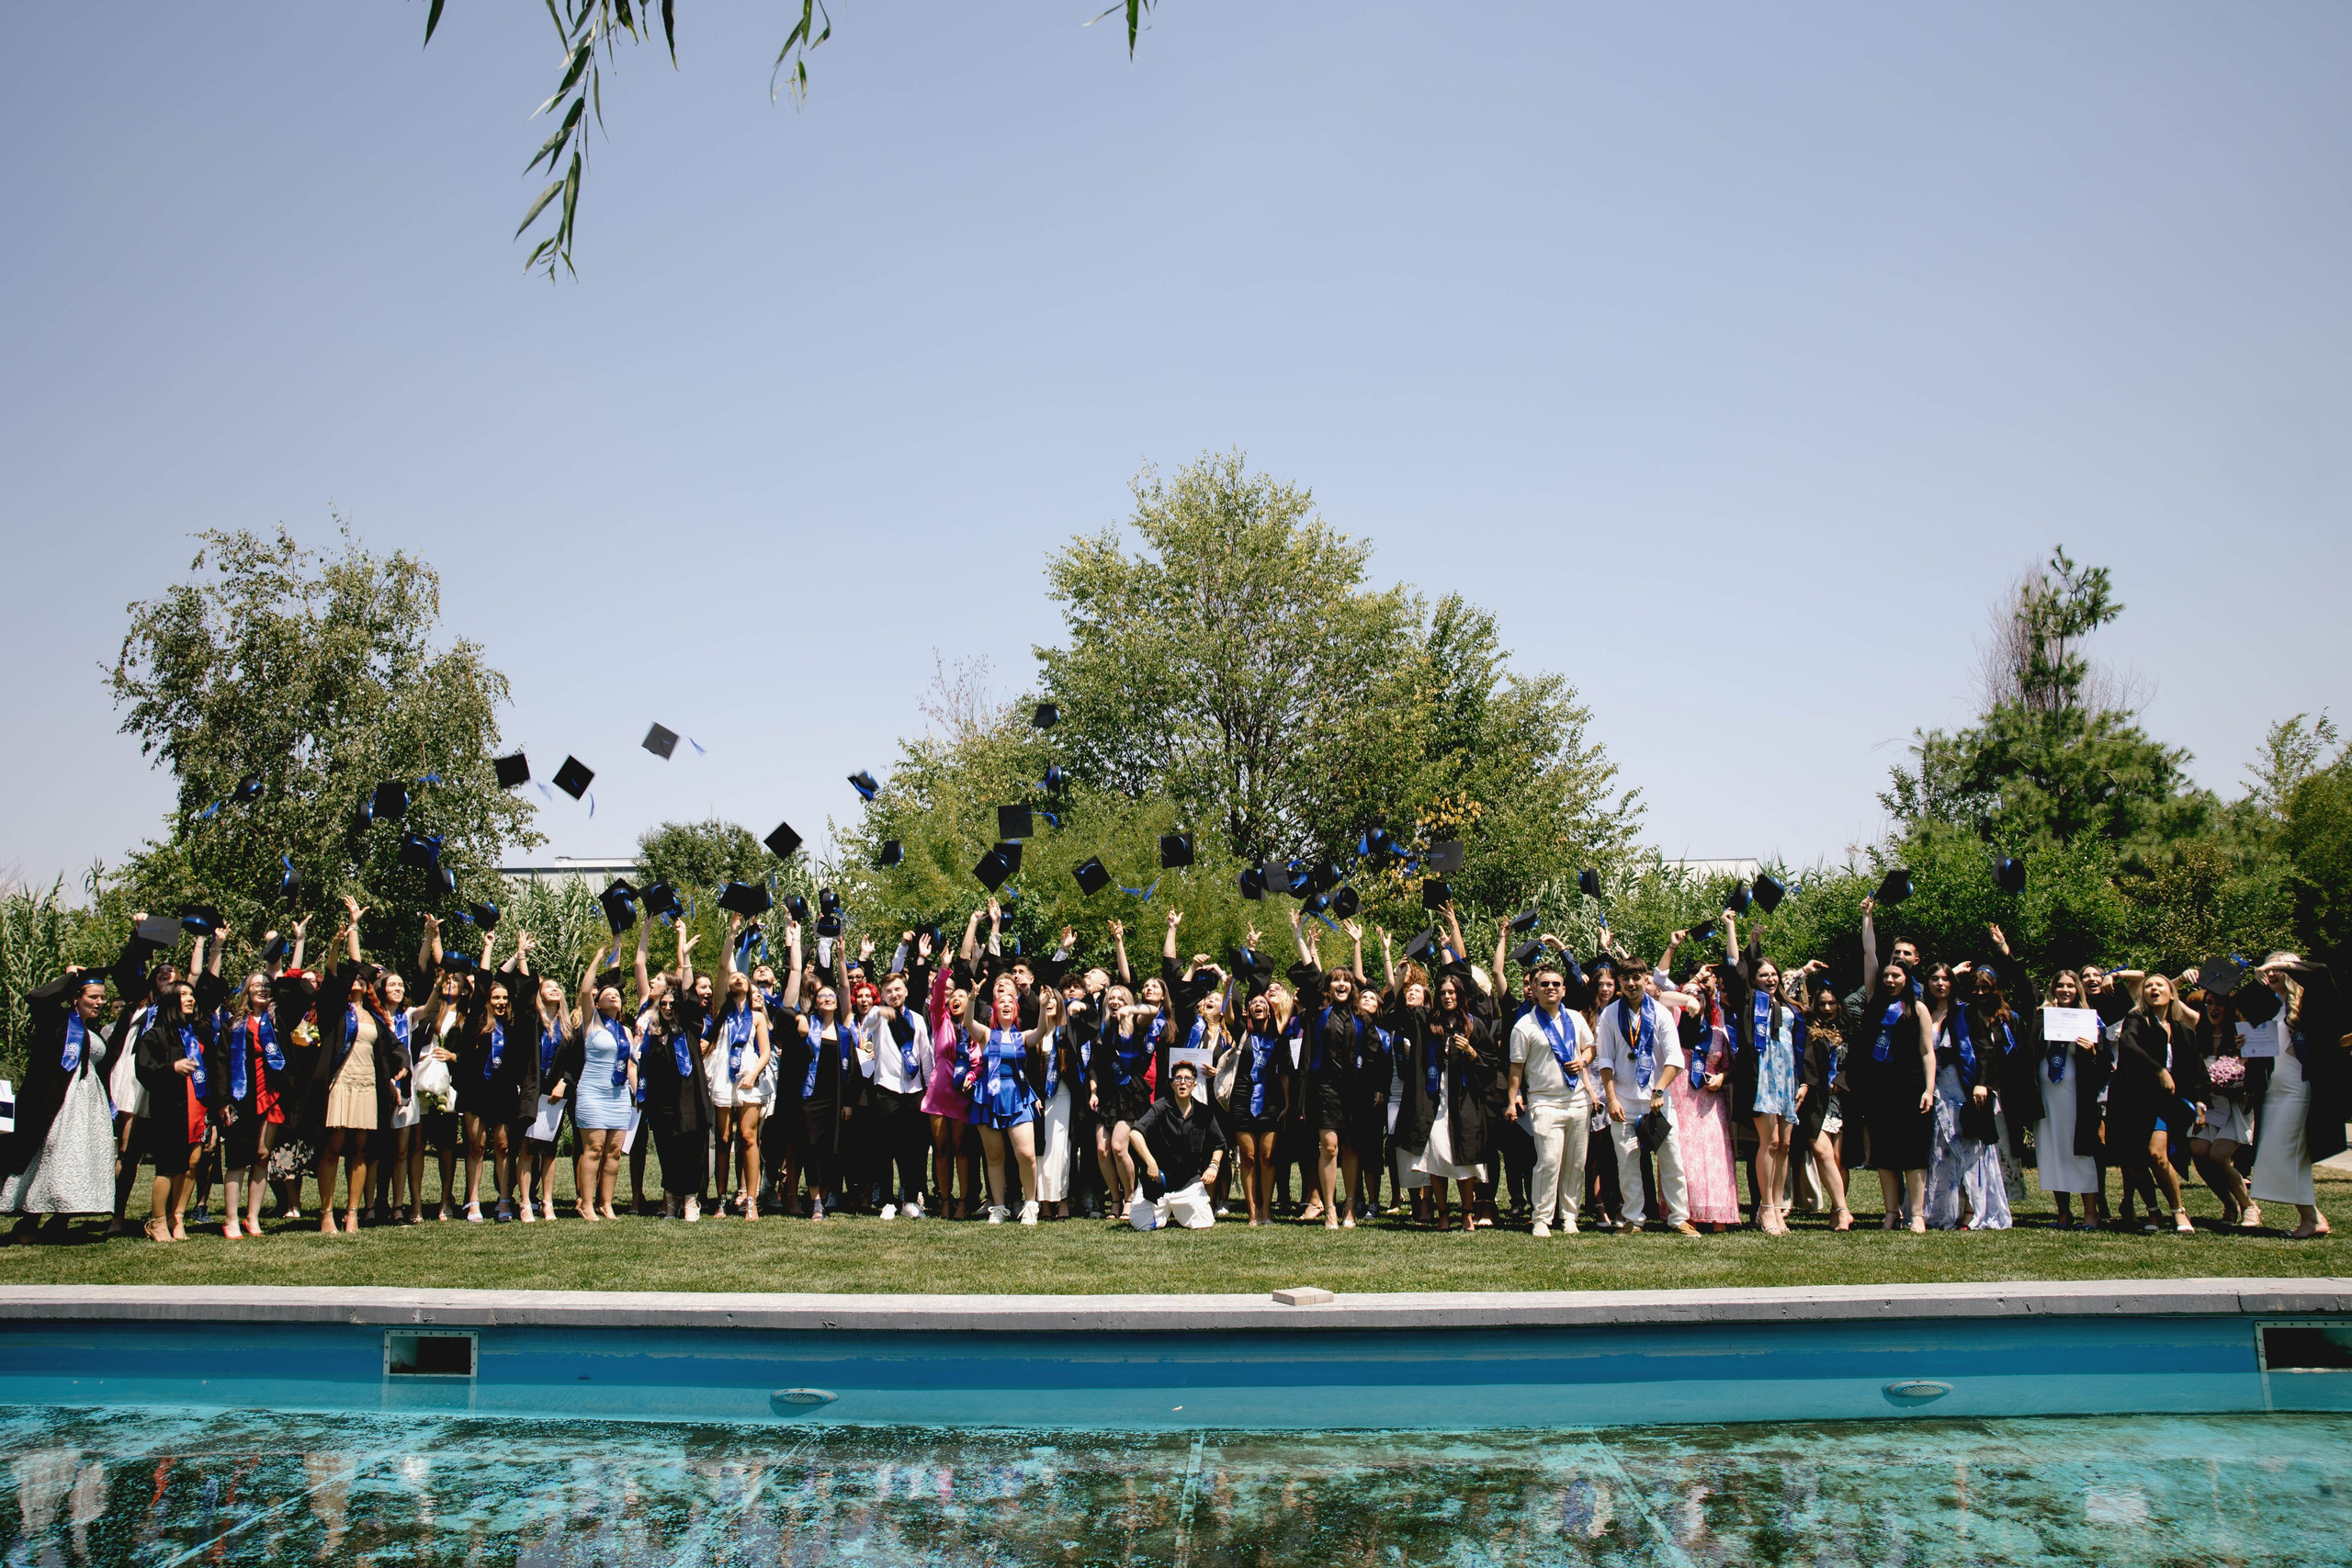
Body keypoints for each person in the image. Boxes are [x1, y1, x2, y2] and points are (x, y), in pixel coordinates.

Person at [2, 965, 137, 1240]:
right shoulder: (57, 1021)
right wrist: (70, 977)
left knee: (75, 1159)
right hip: (57, 1104)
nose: (99, 1002)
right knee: (50, 1157)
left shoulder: (93, 1030)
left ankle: (60, 1220)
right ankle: (29, 1221)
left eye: (102, 997)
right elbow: (38, 997)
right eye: (93, 997)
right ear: (75, 997)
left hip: (87, 1105)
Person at [313, 898, 410, 1235]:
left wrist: (401, 1067)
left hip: (368, 1086)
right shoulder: (332, 1010)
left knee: (360, 1150)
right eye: (350, 978)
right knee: (333, 1147)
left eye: (359, 979)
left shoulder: (374, 1016)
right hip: (339, 1084)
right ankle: (327, 1212)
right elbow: (334, 973)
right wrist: (343, 938)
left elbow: (396, 1047)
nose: (355, 981)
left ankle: (352, 1213)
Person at [2245, 954, 2344, 1239]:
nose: (2272, 972)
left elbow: (2323, 971)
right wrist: (2248, 1042)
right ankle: (2312, 1219)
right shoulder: (2273, 1007)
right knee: (2286, 1156)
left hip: (2299, 1089)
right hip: (2276, 1088)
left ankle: (2311, 1217)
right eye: (2269, 968)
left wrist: (2285, 964)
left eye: (2280, 968)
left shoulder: (2312, 1002)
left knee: (2283, 1153)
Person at [1596, 958, 1697, 1235]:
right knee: (1627, 1161)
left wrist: (1659, 1090)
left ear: (1645, 979)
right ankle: (1633, 1219)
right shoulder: (1609, 1015)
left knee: (1671, 1159)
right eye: (1626, 978)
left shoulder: (1661, 1013)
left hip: (1657, 1101)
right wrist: (1612, 1099)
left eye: (1637, 978)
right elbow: (1604, 1060)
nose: (1631, 984)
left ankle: (1678, 1218)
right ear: (1619, 982)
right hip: (1624, 1101)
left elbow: (1675, 1058)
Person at [953, 972, 1063, 1224]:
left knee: (1025, 1154)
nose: (1005, 1005)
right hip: (989, 1097)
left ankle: (1030, 1204)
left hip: (1018, 1096)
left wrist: (1045, 1007)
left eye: (1009, 1003)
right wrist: (971, 999)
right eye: (1000, 1003)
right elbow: (968, 1024)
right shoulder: (985, 1034)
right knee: (994, 1157)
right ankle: (999, 1207)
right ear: (994, 1010)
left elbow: (1041, 1030)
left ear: (1015, 1010)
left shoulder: (1022, 1037)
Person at [1721, 913, 1804, 1235]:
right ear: (1754, 980)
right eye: (1764, 974)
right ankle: (1765, 1207)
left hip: (1786, 1081)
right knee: (1768, 1143)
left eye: (1774, 974)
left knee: (1784, 1144)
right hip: (1761, 1080)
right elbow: (1735, 966)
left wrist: (1803, 1081)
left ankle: (1776, 1204)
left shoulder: (1787, 1007)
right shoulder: (1747, 1002)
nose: (1770, 979)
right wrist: (1733, 930)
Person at [2107, 972, 2206, 1235]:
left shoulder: (2183, 1031)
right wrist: (2158, 1070)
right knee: (2133, 1161)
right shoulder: (2136, 1020)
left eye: (2159, 985)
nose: (2153, 988)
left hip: (2163, 1103)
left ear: (2171, 993)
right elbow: (2128, 1045)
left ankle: (2178, 1211)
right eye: (2148, 985)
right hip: (2130, 1099)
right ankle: (2152, 1211)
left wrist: (2200, 1101)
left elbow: (2196, 1069)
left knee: (2156, 1155)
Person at [1845, 956, 1934, 1231]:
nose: (1890, 980)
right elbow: (1868, 953)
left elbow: (1927, 1051)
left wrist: (1929, 1089)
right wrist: (1867, 919)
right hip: (1879, 1090)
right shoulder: (1874, 1007)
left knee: (1913, 1151)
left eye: (1896, 975)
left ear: (1907, 978)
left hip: (1911, 1087)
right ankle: (1891, 1213)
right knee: (1884, 1153)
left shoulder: (1918, 1009)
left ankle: (1916, 1214)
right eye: (1886, 976)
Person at [1506, 958, 1594, 1236]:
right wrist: (1512, 1100)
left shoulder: (1577, 1019)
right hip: (1544, 1101)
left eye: (1556, 984)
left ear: (1564, 990)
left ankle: (1569, 1217)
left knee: (1575, 1163)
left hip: (1578, 1100)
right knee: (1548, 1160)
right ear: (1534, 988)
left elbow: (1589, 1048)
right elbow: (1515, 1069)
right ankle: (1542, 1217)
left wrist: (1582, 1061)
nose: (1550, 988)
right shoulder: (1525, 1025)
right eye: (1544, 984)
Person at [133, 960, 220, 1243]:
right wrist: (172, 1068)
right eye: (184, 995)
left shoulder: (197, 1032)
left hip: (198, 1106)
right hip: (172, 1108)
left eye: (191, 996)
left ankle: (177, 1217)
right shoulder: (155, 1035)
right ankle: (156, 1221)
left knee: (192, 1162)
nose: (191, 999)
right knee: (169, 1165)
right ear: (171, 1001)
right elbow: (144, 1070)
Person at [453, 935, 537, 1224]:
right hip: (476, 1090)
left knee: (503, 1146)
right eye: (495, 998)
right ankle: (472, 1200)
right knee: (475, 1146)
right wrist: (488, 947)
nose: (500, 1002)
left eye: (504, 998)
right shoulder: (477, 1021)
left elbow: (526, 992)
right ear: (487, 1000)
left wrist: (520, 956)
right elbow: (485, 979)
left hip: (503, 1092)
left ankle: (504, 1199)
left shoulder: (514, 1025)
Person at [1924, 961, 2013, 1230]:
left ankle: (1972, 1211)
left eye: (1946, 979)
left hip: (1964, 1088)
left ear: (1953, 983)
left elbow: (1985, 1050)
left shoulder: (1967, 1012)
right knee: (1940, 1149)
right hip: (1935, 1090)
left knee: (1971, 1149)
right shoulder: (1922, 1011)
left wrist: (1982, 1084)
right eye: (1935, 979)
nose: (1941, 984)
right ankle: (1941, 1211)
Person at [563, 946, 640, 1221]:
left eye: (617, 995)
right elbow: (585, 991)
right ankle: (585, 1202)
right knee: (593, 1149)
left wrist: (636, 1093)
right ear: (597, 1002)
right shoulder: (591, 1022)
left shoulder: (626, 1031)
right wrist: (597, 960)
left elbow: (630, 1064)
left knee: (614, 1152)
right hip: (593, 1092)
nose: (614, 996)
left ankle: (605, 1203)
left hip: (618, 1095)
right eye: (608, 994)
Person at [860, 956, 934, 1220]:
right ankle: (887, 1202)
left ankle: (911, 1200)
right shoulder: (879, 1017)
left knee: (912, 1149)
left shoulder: (916, 1018)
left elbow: (925, 1054)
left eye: (897, 990)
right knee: (885, 1148)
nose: (894, 994)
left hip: (913, 1091)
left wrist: (927, 1090)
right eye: (888, 991)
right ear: (882, 995)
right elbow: (866, 1023)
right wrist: (878, 1011)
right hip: (886, 1089)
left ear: (905, 991)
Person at [1127, 1060, 1226, 1229]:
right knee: (1139, 1223)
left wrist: (1213, 1166)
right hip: (1158, 1183)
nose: (1182, 1082)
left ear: (1194, 1084)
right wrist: (1150, 1162)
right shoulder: (1159, 1108)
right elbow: (1135, 1134)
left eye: (1188, 1079)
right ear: (1172, 1084)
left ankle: (1177, 1210)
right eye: (1178, 1078)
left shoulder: (1204, 1112)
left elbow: (1219, 1144)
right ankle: (1165, 1210)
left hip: (1188, 1185)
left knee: (1204, 1222)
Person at [2188, 990, 2256, 1225]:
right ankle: (2229, 1203)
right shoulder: (2198, 1035)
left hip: (2235, 1106)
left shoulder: (2242, 1034)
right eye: (2209, 1003)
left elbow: (2252, 1072)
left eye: (2219, 1004)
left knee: (2218, 1156)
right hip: (2208, 1107)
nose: (2212, 1008)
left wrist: (2244, 1054)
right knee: (2198, 1152)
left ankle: (2248, 1206)